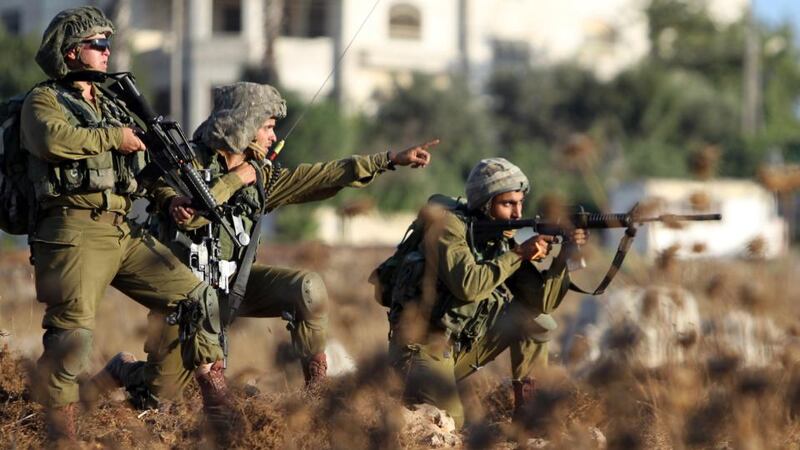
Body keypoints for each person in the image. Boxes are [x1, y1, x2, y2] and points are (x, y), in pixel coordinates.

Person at [86, 82, 439, 418]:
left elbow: (324, 175)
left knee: (307, 287)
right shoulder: (184, 164)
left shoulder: (262, 178)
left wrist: (390, 159)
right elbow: (192, 217)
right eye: (268, 126)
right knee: (158, 395)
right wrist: (237, 178)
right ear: (243, 125)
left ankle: (316, 394)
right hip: (185, 302)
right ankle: (122, 367)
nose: (273, 136)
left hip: (234, 288)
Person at [21, 7, 230, 443]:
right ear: (73, 51)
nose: (106, 51)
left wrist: (172, 199)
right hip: (72, 229)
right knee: (72, 333)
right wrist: (115, 137)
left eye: (107, 44)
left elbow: (145, 170)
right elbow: (51, 140)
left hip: (123, 229)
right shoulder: (43, 100)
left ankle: (218, 408)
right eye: (98, 44)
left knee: (195, 297)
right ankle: (59, 432)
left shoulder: (115, 103)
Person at [385, 158, 587, 428]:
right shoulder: (448, 228)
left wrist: (565, 256)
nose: (517, 214)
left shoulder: (501, 239)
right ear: (485, 204)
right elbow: (468, 285)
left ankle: (529, 419)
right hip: (419, 351)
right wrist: (519, 254)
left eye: (520, 203)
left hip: (457, 351)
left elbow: (542, 302)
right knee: (450, 422)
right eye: (508, 204)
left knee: (537, 323)